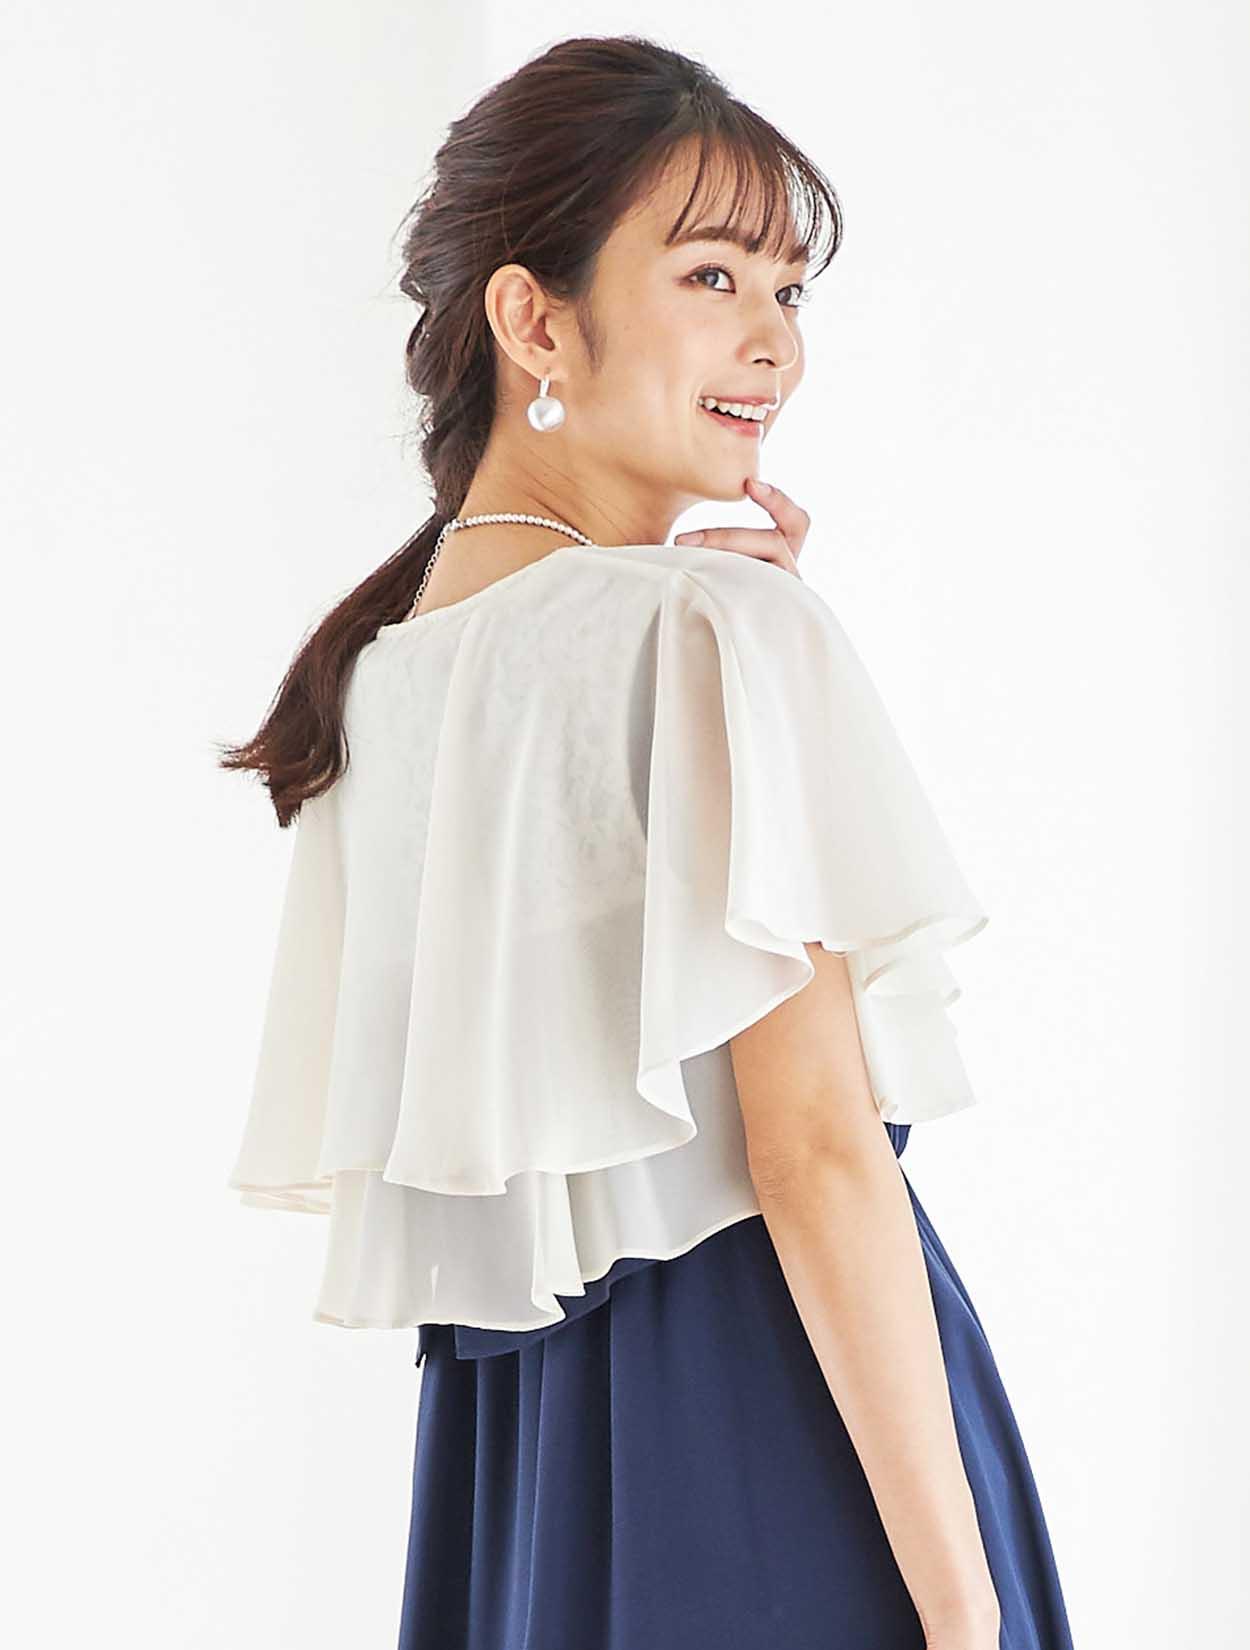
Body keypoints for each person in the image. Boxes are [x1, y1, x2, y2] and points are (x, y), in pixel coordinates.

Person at [220, 34, 1076, 1650]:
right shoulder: (704, 631)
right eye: (710, 275)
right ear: (535, 320)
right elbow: (813, 1152)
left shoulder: (383, 687)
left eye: (788, 290)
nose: (772, 343)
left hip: (526, 1492)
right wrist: (966, 1611)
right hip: (787, 1443)